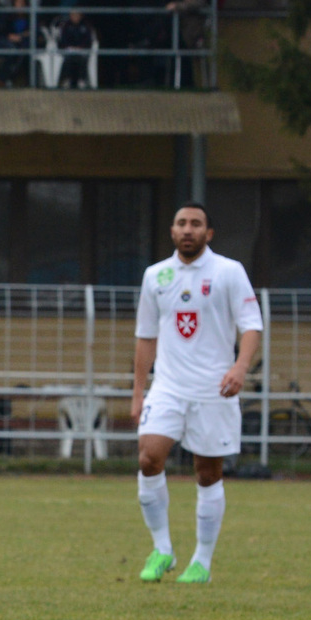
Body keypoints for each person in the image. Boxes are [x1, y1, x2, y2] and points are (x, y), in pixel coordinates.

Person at [132, 204, 261, 585]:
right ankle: (163, 549)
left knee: (207, 473)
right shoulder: (155, 275)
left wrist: (240, 368)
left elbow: (252, 326)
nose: (188, 229)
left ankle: (201, 562)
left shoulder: (228, 271)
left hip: (213, 389)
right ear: (172, 231)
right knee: (148, 458)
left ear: (209, 233)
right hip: (168, 387)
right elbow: (146, 337)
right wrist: (138, 392)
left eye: (196, 224)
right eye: (181, 223)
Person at [55, 10, 95, 88]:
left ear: (81, 16)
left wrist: (81, 47)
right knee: (67, 58)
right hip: (69, 50)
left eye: (77, 15)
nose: (75, 17)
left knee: (84, 58)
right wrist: (69, 47)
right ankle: (67, 80)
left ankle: (82, 80)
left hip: (82, 50)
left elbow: (89, 40)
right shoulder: (66, 26)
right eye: (73, 15)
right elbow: (63, 40)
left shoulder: (86, 25)